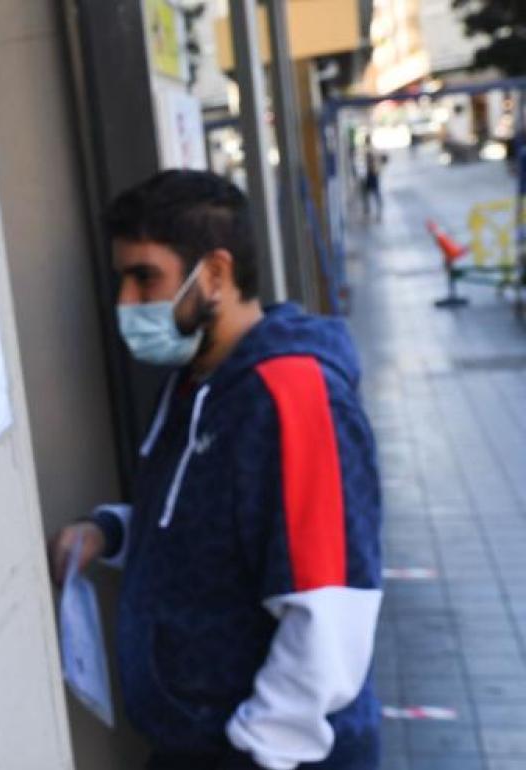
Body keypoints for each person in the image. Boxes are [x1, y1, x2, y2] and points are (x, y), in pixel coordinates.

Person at [50, 170, 382, 769]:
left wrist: (256, 754)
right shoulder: (195, 381)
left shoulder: (291, 395)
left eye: (144, 276)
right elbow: (211, 522)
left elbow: (326, 612)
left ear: (217, 274)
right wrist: (111, 532)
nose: (125, 302)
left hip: (274, 755)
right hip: (200, 744)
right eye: (121, 278)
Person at [362, 150, 382, 222]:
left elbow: (377, 171)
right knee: (367, 195)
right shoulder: (370, 164)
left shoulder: (374, 164)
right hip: (370, 180)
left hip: (373, 180)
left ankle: (377, 209)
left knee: (376, 196)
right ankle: (368, 208)